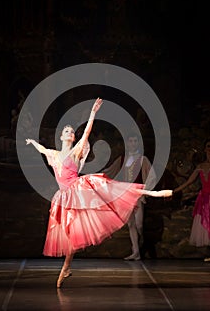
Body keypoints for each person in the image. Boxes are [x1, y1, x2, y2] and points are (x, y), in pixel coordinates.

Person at [26, 98, 172, 288]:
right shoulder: (53, 154)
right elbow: (43, 149)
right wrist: (32, 142)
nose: (70, 133)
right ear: (61, 137)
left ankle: (151, 193)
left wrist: (93, 113)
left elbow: (86, 132)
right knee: (70, 235)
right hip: (64, 197)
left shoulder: (77, 150)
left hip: (77, 189)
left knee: (109, 188)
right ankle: (67, 267)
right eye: (66, 131)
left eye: (71, 131)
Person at [104, 132, 157, 260]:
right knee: (131, 224)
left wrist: (145, 190)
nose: (132, 144)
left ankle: (142, 243)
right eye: (130, 141)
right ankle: (136, 251)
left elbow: (152, 176)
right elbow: (110, 171)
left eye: (135, 141)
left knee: (139, 224)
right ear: (127, 143)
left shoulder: (142, 159)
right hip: (125, 195)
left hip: (137, 195)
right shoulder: (123, 158)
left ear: (138, 143)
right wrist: (97, 177)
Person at [173, 138, 210, 261]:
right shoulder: (200, 166)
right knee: (205, 223)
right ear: (205, 149)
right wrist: (175, 191)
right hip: (204, 199)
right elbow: (189, 181)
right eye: (208, 146)